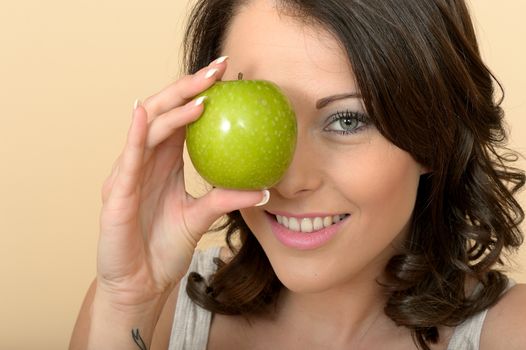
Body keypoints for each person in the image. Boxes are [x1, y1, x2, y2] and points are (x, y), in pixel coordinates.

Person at [69, 0, 526, 349]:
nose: (289, 180)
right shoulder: (148, 311)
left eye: (347, 120)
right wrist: (129, 300)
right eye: (262, 121)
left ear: (434, 134)